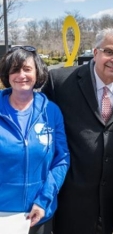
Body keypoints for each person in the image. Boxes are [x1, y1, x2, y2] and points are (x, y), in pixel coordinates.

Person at [41, 27, 113, 234]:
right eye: (109, 52)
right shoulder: (59, 82)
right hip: (69, 198)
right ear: (95, 52)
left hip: (112, 200)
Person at [0, 46, 70, 234]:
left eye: (27, 69)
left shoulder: (51, 111)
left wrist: (43, 200)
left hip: (38, 213)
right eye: (14, 69)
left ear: (37, 72)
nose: (21, 75)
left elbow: (61, 158)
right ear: (7, 74)